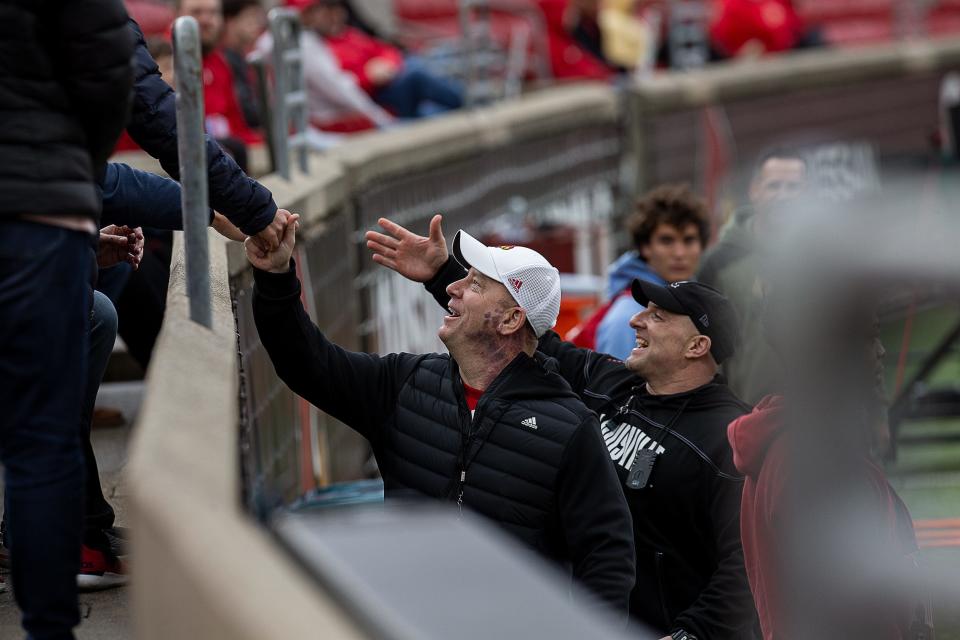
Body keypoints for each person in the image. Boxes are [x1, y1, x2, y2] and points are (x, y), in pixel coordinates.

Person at [366, 215, 759, 639]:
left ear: (698, 346)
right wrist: (446, 277)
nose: (636, 321)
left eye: (659, 317)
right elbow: (522, 338)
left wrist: (688, 636)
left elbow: (750, 564)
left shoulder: (731, 436)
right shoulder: (613, 383)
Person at [249, 217, 636, 616]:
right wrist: (276, 276)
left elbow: (606, 559)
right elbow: (308, 365)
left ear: (510, 320)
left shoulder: (569, 427)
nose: (452, 287)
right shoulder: (406, 382)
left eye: (474, 284)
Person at [0, 0, 133, 636]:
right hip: (38, 209)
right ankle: (48, 628)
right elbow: (107, 70)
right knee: (40, 444)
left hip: (42, 199)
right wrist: (71, 173)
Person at [697, 148, 808, 405]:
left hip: (822, 416)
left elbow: (862, 340)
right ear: (754, 190)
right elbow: (702, 349)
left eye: (794, 187)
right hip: (747, 418)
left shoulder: (827, 257)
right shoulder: (720, 264)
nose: (784, 196)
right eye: (774, 186)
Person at [289, 0, 463, 119]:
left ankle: (468, 103)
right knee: (416, 71)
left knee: (422, 64)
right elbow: (341, 84)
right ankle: (468, 101)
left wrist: (388, 64)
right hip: (374, 95)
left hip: (390, 82)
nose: (334, 16)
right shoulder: (316, 46)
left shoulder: (350, 35)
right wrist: (368, 77)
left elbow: (386, 50)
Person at [596, 184, 710, 361]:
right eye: (667, 241)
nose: (679, 253)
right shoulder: (627, 317)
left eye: (689, 240)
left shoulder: (692, 302)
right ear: (645, 247)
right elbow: (613, 386)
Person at [176, 0, 263, 153]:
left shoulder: (220, 60)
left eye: (213, 13)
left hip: (225, 154)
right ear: (177, 15)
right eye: (196, 12)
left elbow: (235, 123)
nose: (206, 20)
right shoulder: (165, 61)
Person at [221, 0, 267, 131]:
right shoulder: (224, 59)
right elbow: (250, 114)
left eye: (257, 17)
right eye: (249, 17)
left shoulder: (242, 57)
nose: (256, 24)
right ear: (230, 22)